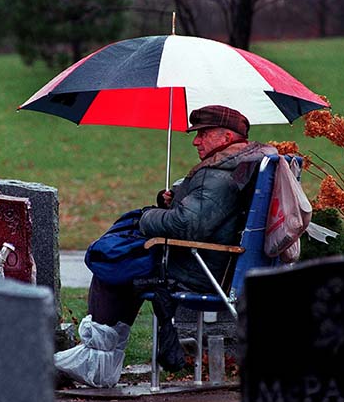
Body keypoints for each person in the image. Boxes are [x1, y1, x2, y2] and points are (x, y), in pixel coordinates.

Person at [55, 105, 277, 387]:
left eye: (203, 134)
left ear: (226, 137)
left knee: (112, 263)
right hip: (214, 263)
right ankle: (99, 358)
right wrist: (174, 200)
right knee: (125, 262)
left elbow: (186, 226)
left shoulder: (218, 175)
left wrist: (148, 218)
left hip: (197, 268)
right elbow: (205, 215)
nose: (196, 141)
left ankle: (98, 362)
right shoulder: (239, 167)